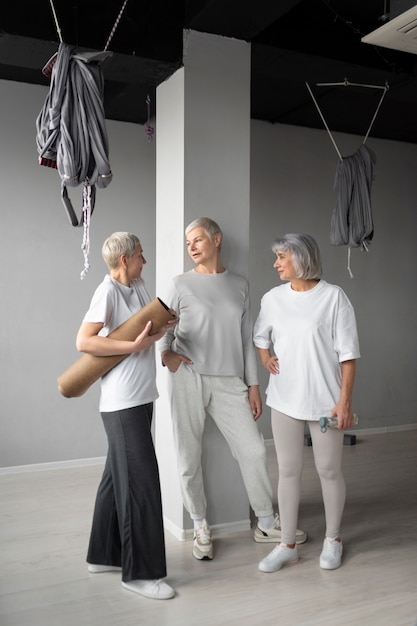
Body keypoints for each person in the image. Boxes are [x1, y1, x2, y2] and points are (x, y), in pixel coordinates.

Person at [159, 217, 307, 561]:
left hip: (229, 381)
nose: (192, 247)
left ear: (216, 239)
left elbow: (246, 341)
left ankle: (266, 522)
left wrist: (254, 385)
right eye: (188, 243)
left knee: (253, 450)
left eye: (197, 240)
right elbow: (164, 328)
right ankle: (199, 524)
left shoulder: (239, 284)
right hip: (188, 377)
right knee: (188, 455)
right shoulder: (179, 284)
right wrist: (167, 355)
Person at [75, 232, 177, 600]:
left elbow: (145, 331)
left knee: (116, 479)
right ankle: (139, 574)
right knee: (141, 485)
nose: (144, 260)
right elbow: (84, 341)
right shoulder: (108, 292)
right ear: (124, 260)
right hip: (120, 402)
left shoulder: (139, 285)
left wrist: (164, 326)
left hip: (141, 396)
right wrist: (131, 345)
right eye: (140, 255)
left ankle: (103, 554)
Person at [253, 233, 360, 574]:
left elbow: (348, 355)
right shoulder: (273, 298)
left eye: (282, 257)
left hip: (326, 405)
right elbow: (260, 335)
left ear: (301, 259)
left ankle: (333, 539)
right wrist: (266, 357)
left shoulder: (334, 298)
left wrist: (344, 403)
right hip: (284, 401)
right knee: (287, 471)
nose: (276, 264)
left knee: (328, 470)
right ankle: (287, 545)